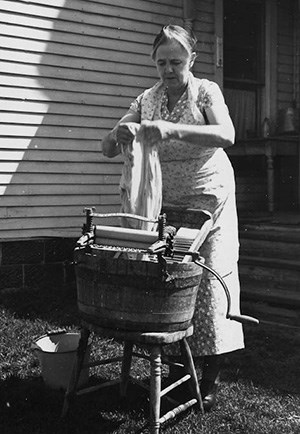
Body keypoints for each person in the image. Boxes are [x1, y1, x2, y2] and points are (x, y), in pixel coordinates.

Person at [102, 24, 244, 412]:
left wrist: (171, 129)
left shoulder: (205, 91)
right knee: (172, 278)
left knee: (210, 279)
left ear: (191, 60)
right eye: (162, 62)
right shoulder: (147, 98)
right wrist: (122, 131)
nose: (168, 70)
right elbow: (106, 149)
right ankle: (179, 364)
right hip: (163, 200)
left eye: (176, 62)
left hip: (207, 195)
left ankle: (208, 378)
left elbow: (227, 134)